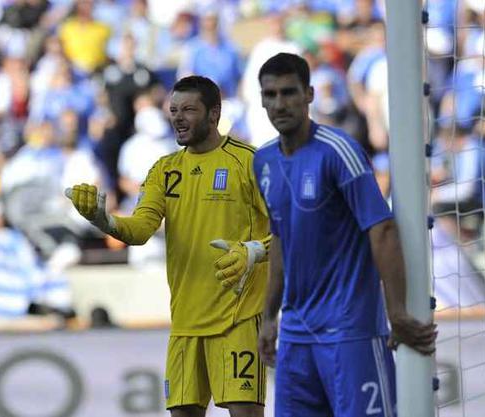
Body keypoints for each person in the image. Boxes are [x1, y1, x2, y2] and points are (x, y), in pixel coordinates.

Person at [68, 76, 271, 417]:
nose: (178, 117)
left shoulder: (249, 163)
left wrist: (253, 251)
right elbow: (140, 230)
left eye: (189, 109)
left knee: (245, 413)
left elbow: (288, 229)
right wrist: (103, 220)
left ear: (214, 114)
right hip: (185, 323)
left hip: (238, 317)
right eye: (174, 110)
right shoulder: (165, 170)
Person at [253, 53, 437, 417]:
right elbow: (279, 239)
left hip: (350, 332)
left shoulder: (338, 151)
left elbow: (382, 229)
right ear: (260, 100)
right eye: (270, 95)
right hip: (296, 334)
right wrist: (269, 315)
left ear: (309, 95)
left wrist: (395, 311)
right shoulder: (263, 162)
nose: (280, 103)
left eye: (289, 92)